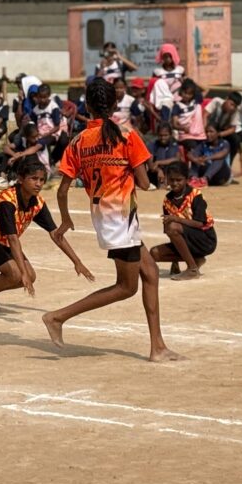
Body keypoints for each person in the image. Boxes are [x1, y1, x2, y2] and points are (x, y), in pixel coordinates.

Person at [42, 78, 181, 363]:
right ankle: (58, 317)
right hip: (121, 218)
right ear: (115, 103)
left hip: (106, 217)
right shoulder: (126, 134)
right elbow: (144, 184)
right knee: (126, 287)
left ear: (87, 106)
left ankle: (158, 346)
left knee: (151, 273)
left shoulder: (80, 140)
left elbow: (63, 188)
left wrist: (66, 221)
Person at [0, 158, 93, 317]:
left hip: (1, 240)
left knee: (30, 276)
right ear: (20, 179)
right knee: (16, 275)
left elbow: (55, 233)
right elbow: (13, 238)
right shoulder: (7, 202)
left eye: (41, 180)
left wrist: (77, 262)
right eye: (33, 179)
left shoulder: (37, 202)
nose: (38, 184)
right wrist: (22, 273)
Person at [149, 161, 217, 281]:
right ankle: (196, 260)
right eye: (171, 180)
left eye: (179, 180)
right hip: (186, 239)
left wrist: (176, 219)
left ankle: (192, 269)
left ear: (186, 180)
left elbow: (200, 223)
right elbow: (169, 232)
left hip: (205, 239)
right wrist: (174, 262)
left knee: (173, 226)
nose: (175, 183)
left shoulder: (195, 195)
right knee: (154, 253)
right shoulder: (167, 200)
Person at [203, 91, 242, 169]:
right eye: (231, 104)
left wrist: (219, 134)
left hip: (220, 131)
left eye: (235, 106)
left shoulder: (235, 111)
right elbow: (205, 115)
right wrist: (206, 131)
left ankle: (228, 167)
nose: (232, 108)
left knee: (236, 139)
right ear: (226, 99)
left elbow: (233, 129)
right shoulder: (216, 101)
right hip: (208, 128)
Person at [171, 79, 205, 153]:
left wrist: (191, 82)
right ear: (181, 92)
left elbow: (203, 90)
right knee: (193, 149)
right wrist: (183, 128)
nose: (187, 95)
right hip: (186, 136)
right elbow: (174, 124)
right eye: (185, 93)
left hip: (200, 134)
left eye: (190, 94)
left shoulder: (196, 101)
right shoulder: (177, 106)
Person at [146, 122, 180, 189]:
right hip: (155, 174)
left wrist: (159, 162)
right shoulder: (152, 146)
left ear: (170, 135)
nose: (163, 138)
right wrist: (159, 170)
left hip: (170, 172)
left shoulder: (174, 144)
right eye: (160, 135)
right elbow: (151, 165)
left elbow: (177, 159)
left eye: (165, 135)